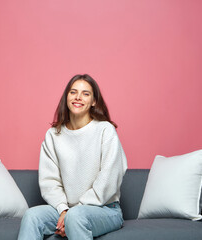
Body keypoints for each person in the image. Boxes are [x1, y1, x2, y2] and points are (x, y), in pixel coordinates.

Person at [17, 74, 128, 240]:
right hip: (66, 210)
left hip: (105, 210)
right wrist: (64, 210)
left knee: (76, 217)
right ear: (66, 97)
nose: (78, 97)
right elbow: (50, 181)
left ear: (94, 101)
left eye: (86, 94)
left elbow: (109, 179)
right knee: (32, 216)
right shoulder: (53, 135)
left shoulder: (105, 130)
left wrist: (73, 214)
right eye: (73, 92)